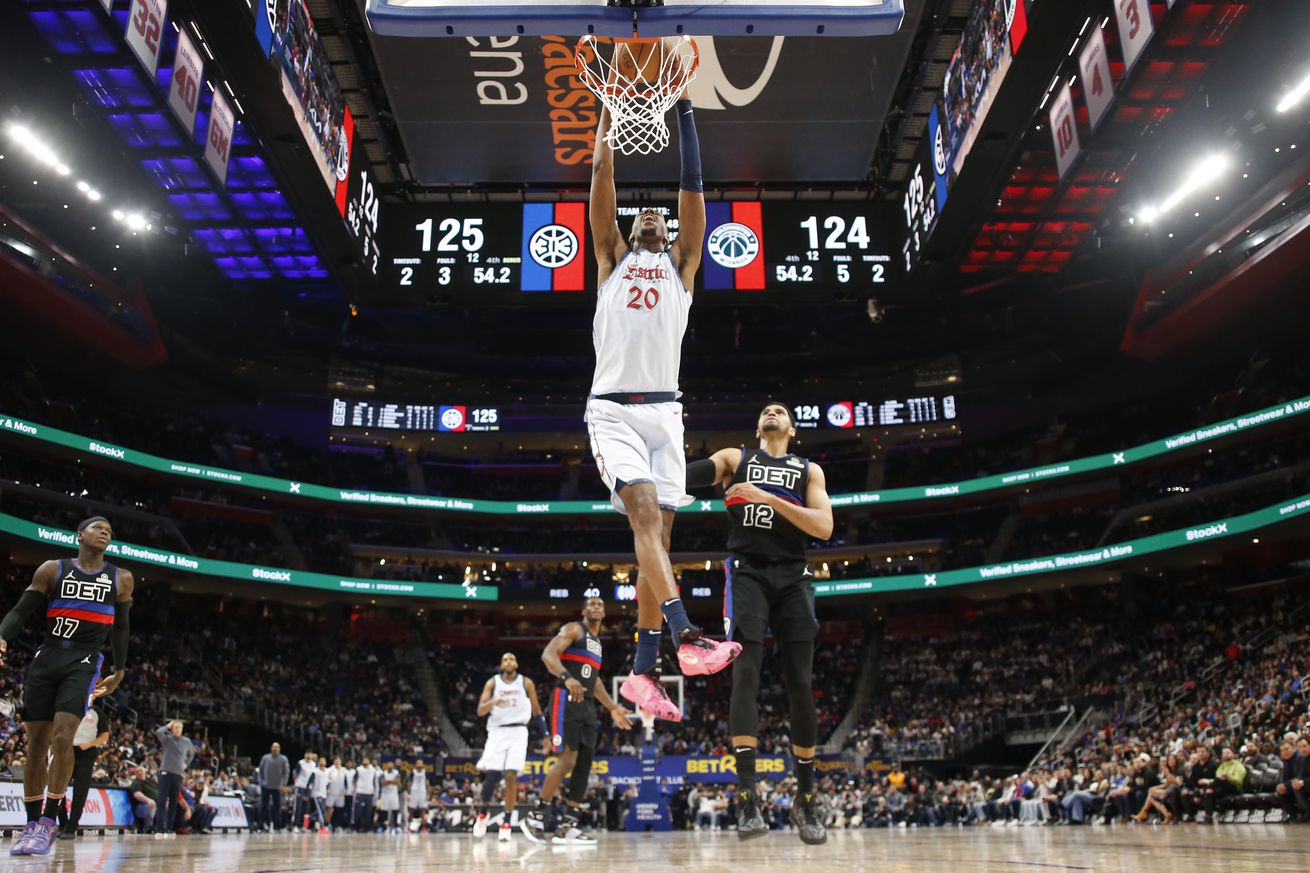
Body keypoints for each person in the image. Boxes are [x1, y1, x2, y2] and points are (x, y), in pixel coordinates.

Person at [584, 88, 739, 721]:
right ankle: (684, 636)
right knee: (645, 515)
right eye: (641, 213)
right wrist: (610, 116)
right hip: (613, 411)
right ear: (627, 227)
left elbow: (694, 191)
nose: (651, 216)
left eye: (659, 216)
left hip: (667, 415)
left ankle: (642, 674)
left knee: (660, 545)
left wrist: (686, 117)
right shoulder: (610, 258)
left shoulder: (681, 266)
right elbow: (600, 175)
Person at [687, 403, 833, 844]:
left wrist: (768, 498)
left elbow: (824, 527)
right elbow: (686, 473)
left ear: (791, 429)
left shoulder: (809, 471)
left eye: (780, 411)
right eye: (766, 410)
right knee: (745, 675)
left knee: (800, 684)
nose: (772, 411)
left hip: (794, 574)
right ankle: (747, 798)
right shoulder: (736, 458)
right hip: (747, 571)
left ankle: (805, 800)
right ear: (758, 425)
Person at [0, 517, 134, 856]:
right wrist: (1, 635)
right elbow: (20, 611)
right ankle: (31, 825)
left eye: (109, 530)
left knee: (63, 736)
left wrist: (119, 669)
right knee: (36, 745)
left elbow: (121, 629)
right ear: (80, 535)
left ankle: (48, 821)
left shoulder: (121, 578)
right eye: (98, 527)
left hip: (85, 661)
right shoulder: (52, 569)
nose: (106, 532)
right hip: (46, 659)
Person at [521, 598, 633, 845]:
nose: (596, 606)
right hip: (566, 698)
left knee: (584, 764)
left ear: (604, 613)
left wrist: (613, 707)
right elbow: (548, 654)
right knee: (567, 760)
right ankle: (535, 817)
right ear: (583, 611)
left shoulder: (597, 644)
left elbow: (595, 681)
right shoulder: (574, 629)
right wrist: (567, 677)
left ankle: (567, 827)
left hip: (588, 706)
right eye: (591, 603)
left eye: (600, 604)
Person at [472, 652, 548, 841]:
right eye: (505, 659)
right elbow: (481, 710)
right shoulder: (493, 683)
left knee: (511, 775)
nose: (508, 661)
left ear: (517, 663)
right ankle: (483, 813)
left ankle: (506, 824)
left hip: (519, 732)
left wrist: (545, 735)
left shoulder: (526, 682)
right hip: (497, 732)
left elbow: (537, 711)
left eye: (512, 659)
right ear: (501, 664)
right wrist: (494, 701)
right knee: (490, 778)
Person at [57, 700, 111, 839]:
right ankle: (62, 823)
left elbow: (104, 735)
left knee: (80, 792)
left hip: (86, 754)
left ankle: (71, 828)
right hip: (67, 751)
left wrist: (90, 744)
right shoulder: (69, 707)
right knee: (58, 788)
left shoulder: (96, 712)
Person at [154, 719, 195, 836]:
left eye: (179, 728)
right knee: (162, 800)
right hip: (165, 772)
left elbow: (192, 754)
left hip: (178, 774)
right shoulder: (167, 739)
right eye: (175, 728)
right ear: (172, 729)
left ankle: (168, 827)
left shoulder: (186, 741)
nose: (177, 730)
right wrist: (168, 725)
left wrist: (186, 763)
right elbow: (158, 732)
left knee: (174, 801)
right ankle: (159, 827)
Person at [257, 741, 290, 832]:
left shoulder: (283, 759)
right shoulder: (265, 758)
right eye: (274, 747)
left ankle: (277, 827)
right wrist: (261, 782)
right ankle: (262, 825)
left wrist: (284, 785)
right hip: (266, 786)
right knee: (264, 806)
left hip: (277, 787)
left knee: (277, 807)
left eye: (277, 747)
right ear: (271, 748)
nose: (275, 749)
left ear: (279, 749)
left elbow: (286, 772)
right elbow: (261, 771)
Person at [291, 749, 320, 831]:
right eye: (307, 754)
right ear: (305, 755)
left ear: (312, 755)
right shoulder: (301, 763)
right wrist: (296, 783)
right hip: (300, 786)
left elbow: (313, 777)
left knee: (306, 808)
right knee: (298, 806)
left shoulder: (314, 764)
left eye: (310, 754)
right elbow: (295, 773)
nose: (308, 756)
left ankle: (304, 826)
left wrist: (309, 789)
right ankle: (295, 825)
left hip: (308, 788)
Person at [353, 756, 378, 832]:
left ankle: (367, 827)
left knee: (368, 811)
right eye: (364, 760)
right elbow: (354, 780)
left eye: (366, 760)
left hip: (369, 792)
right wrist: (355, 789)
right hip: (360, 792)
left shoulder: (373, 770)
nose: (365, 761)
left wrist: (375, 791)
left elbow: (374, 781)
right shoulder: (358, 769)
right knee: (358, 811)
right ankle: (358, 827)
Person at [324, 756, 349, 832]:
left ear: (341, 762)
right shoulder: (329, 770)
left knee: (339, 810)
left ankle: (337, 825)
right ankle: (327, 824)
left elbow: (346, 781)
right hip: (331, 792)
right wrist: (327, 789)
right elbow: (326, 780)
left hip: (340, 793)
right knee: (329, 809)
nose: (338, 762)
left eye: (339, 761)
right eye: (336, 760)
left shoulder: (344, 770)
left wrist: (345, 789)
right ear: (334, 761)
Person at [378, 760, 401, 832]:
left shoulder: (396, 772)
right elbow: (382, 783)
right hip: (385, 794)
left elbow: (398, 782)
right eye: (389, 765)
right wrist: (392, 781)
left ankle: (396, 826)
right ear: (387, 766)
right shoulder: (383, 773)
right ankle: (382, 826)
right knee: (383, 810)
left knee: (395, 809)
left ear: (393, 766)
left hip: (393, 794)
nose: (390, 767)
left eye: (391, 765)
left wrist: (387, 781)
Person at [407, 761, 429, 832]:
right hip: (414, 792)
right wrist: (409, 794)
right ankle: (408, 827)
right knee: (411, 810)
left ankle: (423, 827)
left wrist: (428, 793)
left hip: (422, 792)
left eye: (420, 763)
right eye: (418, 763)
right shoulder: (412, 772)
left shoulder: (425, 772)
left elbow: (427, 783)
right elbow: (409, 783)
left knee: (423, 810)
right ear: (415, 764)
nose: (419, 765)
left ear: (422, 764)